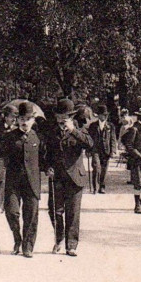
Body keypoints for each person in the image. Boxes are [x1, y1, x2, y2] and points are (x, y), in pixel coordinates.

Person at [45, 99, 93, 256]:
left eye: (65, 116)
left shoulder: (79, 129)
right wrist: (47, 167)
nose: (61, 119)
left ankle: (71, 245)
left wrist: (73, 131)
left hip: (75, 178)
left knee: (73, 213)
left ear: (71, 117)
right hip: (57, 177)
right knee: (54, 211)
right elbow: (47, 153)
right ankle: (58, 238)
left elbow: (90, 144)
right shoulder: (51, 131)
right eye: (59, 116)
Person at [0, 102, 45, 258]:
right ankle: (17, 238)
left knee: (31, 214)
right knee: (12, 212)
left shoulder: (38, 137)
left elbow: (45, 157)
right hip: (14, 182)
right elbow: (0, 157)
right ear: (17, 120)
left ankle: (27, 246)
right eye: (22, 119)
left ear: (33, 120)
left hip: (32, 182)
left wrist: (50, 168)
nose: (25, 122)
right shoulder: (8, 137)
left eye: (28, 119)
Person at [0, 104, 18, 214]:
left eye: (15, 117)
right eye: (12, 116)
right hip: (2, 159)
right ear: (6, 117)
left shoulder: (18, 130)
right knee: (1, 182)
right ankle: (0, 206)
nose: (14, 119)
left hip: (14, 160)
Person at [88, 104, 119, 194]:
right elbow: (89, 139)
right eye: (103, 115)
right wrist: (88, 150)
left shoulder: (110, 126)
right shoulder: (93, 126)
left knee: (104, 170)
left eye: (106, 115)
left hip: (106, 150)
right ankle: (95, 187)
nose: (105, 116)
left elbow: (113, 138)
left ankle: (102, 186)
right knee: (96, 167)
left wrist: (113, 150)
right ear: (99, 115)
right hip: (95, 150)